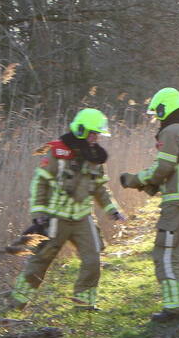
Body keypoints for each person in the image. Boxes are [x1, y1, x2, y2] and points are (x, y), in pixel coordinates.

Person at [10, 108, 124, 311]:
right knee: (40, 261)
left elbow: (100, 188)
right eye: (93, 133)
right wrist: (39, 215)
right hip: (55, 218)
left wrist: (112, 210)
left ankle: (84, 304)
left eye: (98, 134)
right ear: (81, 130)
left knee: (92, 260)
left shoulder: (95, 157)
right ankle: (17, 304)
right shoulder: (57, 152)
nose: (96, 138)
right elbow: (40, 183)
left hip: (82, 218)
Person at [120, 88, 179, 322]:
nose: (156, 118)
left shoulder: (170, 131)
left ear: (164, 108)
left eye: (157, 112)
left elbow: (164, 167)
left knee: (165, 254)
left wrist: (135, 180)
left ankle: (175, 306)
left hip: (177, 203)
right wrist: (152, 185)